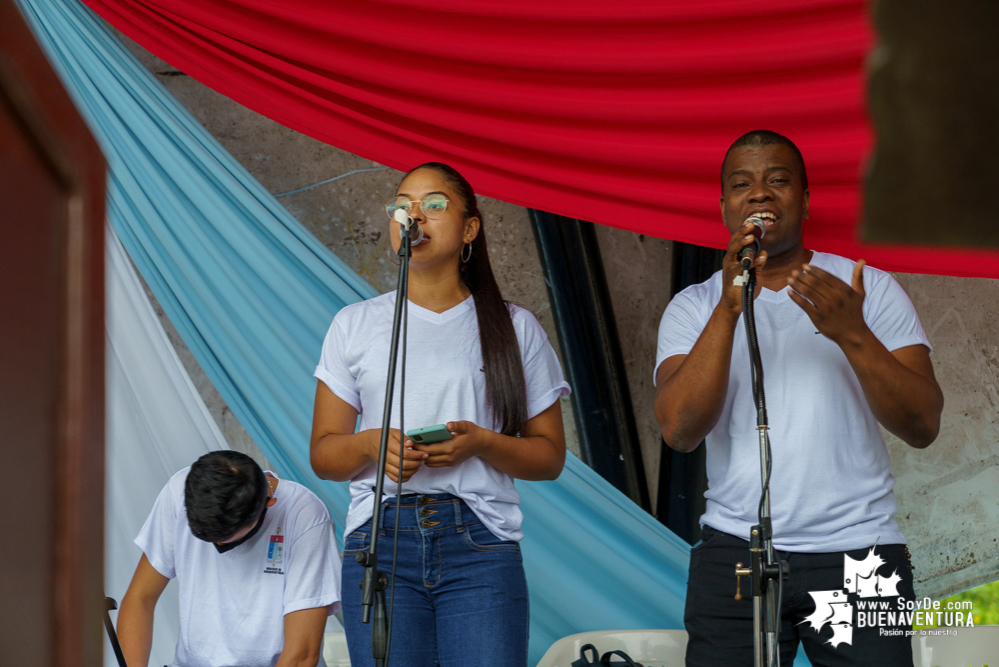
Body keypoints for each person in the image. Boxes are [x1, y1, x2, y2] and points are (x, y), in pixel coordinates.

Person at [653, 130, 944, 667]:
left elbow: (923, 424)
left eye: (778, 180)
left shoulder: (866, 288)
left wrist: (851, 332)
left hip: (862, 555)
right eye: (742, 184)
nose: (759, 193)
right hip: (735, 554)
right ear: (724, 208)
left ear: (805, 200)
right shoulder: (694, 308)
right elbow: (680, 430)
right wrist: (729, 308)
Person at [310, 162, 569, 667]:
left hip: (478, 541)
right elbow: (324, 454)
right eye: (402, 205)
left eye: (433, 205)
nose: (414, 216)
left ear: (470, 227)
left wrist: (482, 443)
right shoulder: (354, 324)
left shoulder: (514, 327)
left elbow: (549, 458)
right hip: (380, 542)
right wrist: (372, 445)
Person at [117, 450, 341, 667]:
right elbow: (140, 598)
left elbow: (302, 656)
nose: (217, 547)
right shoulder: (179, 491)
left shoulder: (305, 515)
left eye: (225, 539)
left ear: (267, 505)